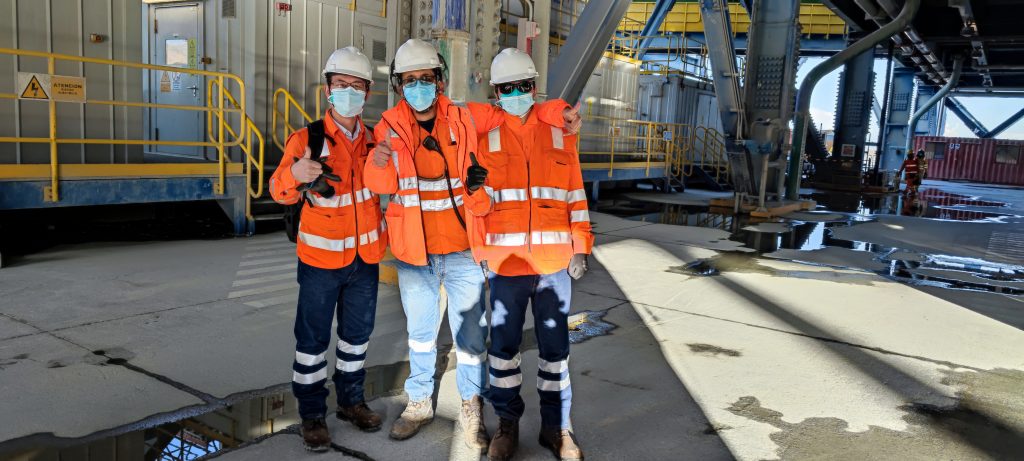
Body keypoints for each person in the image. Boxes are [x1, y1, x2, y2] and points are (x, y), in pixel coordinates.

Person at [363, 39, 580, 452]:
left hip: (463, 249)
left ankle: (471, 406)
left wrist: (561, 112)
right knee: (420, 335)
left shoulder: (464, 117)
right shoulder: (387, 127)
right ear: (398, 86)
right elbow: (382, 184)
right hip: (415, 252)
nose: (418, 86)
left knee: (471, 340)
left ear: (440, 81)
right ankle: (419, 403)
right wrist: (378, 163)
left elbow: (520, 108)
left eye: (426, 78)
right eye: (409, 80)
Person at [463, 48, 592, 461]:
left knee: (556, 352)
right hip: (508, 264)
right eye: (507, 88)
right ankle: (507, 425)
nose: (516, 93)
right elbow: (479, 208)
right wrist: (473, 193)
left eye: (523, 86)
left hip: (554, 264)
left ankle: (556, 427)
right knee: (503, 351)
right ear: (495, 92)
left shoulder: (559, 132)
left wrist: (581, 247)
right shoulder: (485, 138)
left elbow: (575, 195)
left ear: (534, 88)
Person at [268, 47, 388, 452]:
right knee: (312, 342)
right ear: (328, 91)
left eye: (356, 86)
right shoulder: (307, 139)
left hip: (364, 261)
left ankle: (352, 402)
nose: (348, 92)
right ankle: (312, 415)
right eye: (341, 85)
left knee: (356, 339)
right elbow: (279, 191)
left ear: (367, 93)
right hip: (320, 262)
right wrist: (294, 173)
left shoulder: (376, 141)